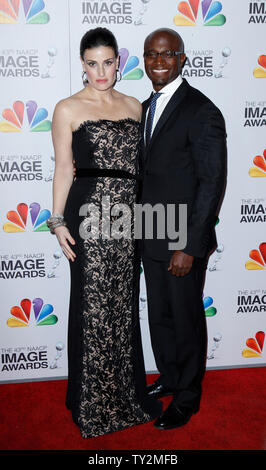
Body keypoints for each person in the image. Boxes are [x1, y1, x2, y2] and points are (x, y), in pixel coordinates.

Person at [47, 27, 162, 439]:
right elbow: (63, 170)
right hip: (89, 218)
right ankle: (92, 401)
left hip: (129, 220)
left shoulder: (134, 106)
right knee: (93, 307)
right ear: (82, 64)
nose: (101, 71)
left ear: (119, 61)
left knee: (123, 306)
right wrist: (57, 222)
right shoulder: (67, 108)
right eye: (92, 63)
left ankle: (126, 394)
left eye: (108, 62)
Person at [140, 28, 227, 430]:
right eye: (151, 55)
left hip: (182, 240)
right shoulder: (144, 108)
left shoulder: (202, 110)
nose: (158, 62)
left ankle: (188, 397)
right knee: (159, 315)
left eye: (167, 54)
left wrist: (189, 246)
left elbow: (212, 184)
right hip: (150, 231)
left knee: (186, 317)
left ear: (182, 59)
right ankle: (171, 377)